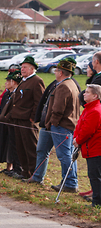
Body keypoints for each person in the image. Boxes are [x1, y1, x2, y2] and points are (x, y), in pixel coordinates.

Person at [25, 57, 80, 191]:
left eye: (56, 71)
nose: (55, 73)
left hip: (60, 126)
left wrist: (51, 123)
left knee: (64, 154)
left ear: (61, 72)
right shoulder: (70, 84)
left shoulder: (64, 86)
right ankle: (37, 176)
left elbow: (58, 110)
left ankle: (70, 183)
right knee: (42, 150)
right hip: (53, 125)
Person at [7, 56, 45, 179]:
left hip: (27, 119)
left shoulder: (36, 81)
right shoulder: (23, 81)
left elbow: (39, 101)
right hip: (18, 118)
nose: (22, 69)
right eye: (22, 67)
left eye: (25, 67)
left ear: (32, 68)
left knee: (30, 147)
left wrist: (33, 117)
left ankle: (34, 173)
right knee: (20, 147)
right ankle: (25, 172)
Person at [0, 71, 22, 175]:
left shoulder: (16, 94)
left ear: (14, 82)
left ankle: (10, 168)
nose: (6, 83)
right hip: (2, 122)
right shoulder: (7, 93)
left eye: (8, 81)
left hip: (10, 123)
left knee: (10, 145)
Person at [73, 84, 101, 207]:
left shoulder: (95, 111)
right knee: (94, 175)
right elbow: (80, 125)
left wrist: (78, 140)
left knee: (95, 176)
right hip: (91, 147)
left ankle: (97, 202)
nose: (84, 94)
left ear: (95, 96)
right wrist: (76, 137)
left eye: (87, 92)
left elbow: (88, 131)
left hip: (96, 149)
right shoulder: (88, 108)